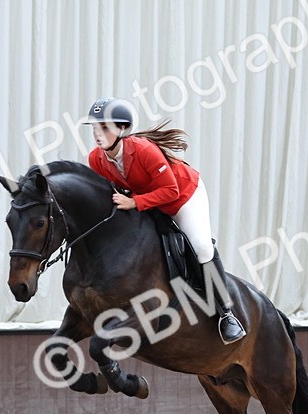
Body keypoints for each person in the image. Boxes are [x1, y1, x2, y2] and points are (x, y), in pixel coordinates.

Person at [83, 97, 246, 344]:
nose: (98, 134)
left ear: (122, 129)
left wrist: (134, 203)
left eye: (105, 127)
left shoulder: (144, 150)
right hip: (148, 202)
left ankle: (227, 314)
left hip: (183, 196)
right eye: (95, 128)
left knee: (202, 247)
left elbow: (170, 190)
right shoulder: (96, 159)